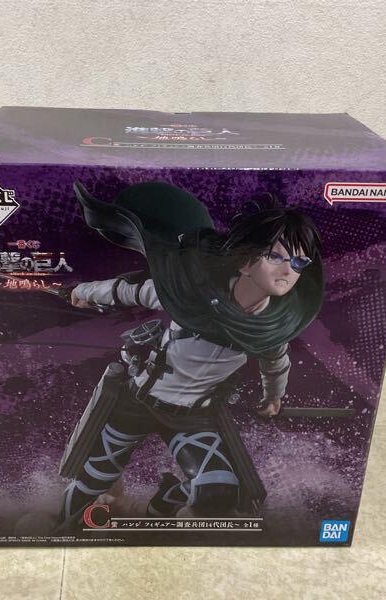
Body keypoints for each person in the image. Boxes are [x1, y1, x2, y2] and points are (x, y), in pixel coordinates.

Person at [58, 181, 324, 528]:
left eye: (298, 261)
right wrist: (82, 291)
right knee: (92, 483)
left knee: (217, 492)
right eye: (275, 256)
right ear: (246, 261)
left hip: (192, 417)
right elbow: (127, 291)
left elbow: (276, 365)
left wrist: (273, 398)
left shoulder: (270, 328)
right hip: (138, 403)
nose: (288, 271)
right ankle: (59, 530)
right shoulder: (189, 293)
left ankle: (156, 518)